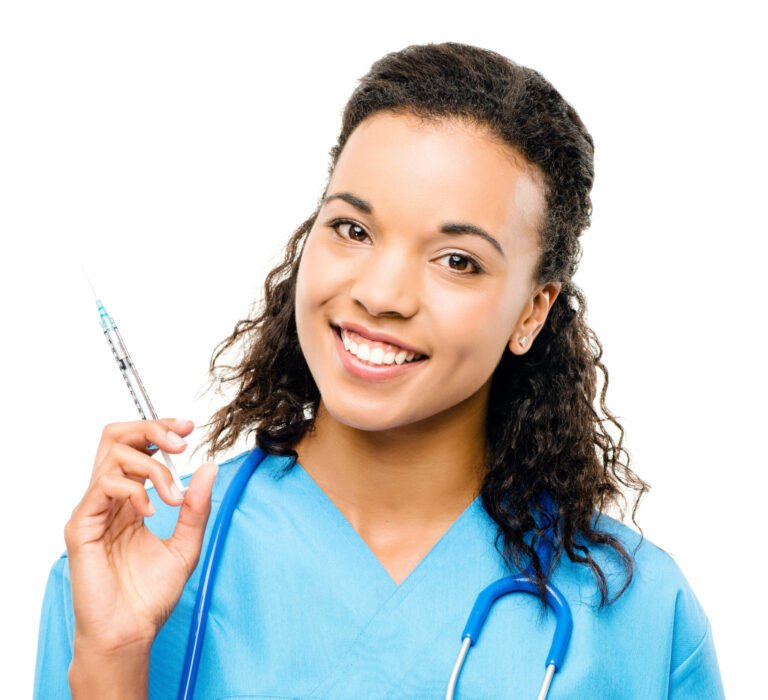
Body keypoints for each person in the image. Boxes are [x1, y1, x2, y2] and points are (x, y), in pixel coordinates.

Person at [34, 42, 725, 699]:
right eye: (353, 230)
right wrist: (112, 659)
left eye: (457, 261)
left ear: (532, 312)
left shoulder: (641, 617)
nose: (381, 294)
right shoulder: (123, 566)